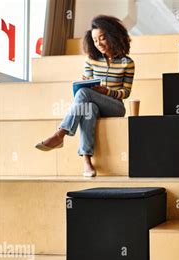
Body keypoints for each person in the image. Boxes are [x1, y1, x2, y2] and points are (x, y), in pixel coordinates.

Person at [35, 15, 135, 177]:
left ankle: (60, 134)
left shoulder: (127, 63)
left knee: (84, 95)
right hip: (93, 102)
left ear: (112, 36)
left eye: (102, 38)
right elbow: (86, 89)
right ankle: (87, 161)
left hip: (115, 106)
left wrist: (106, 91)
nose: (99, 44)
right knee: (87, 107)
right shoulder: (91, 60)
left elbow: (126, 92)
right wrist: (87, 83)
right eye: (95, 41)